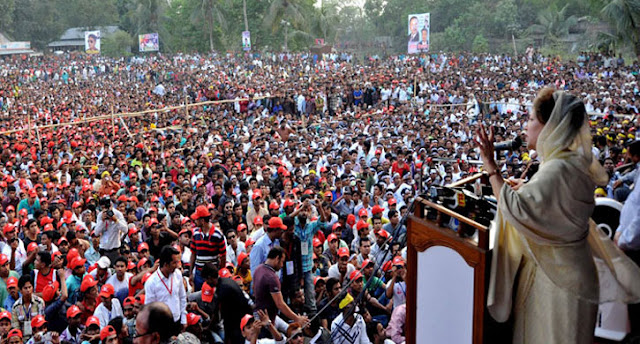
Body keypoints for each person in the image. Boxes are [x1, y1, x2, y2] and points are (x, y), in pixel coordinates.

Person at [478, 88, 640, 343]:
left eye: (531, 119)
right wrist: (525, 190)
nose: (526, 125)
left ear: (549, 126)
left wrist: (491, 167)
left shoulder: (557, 169)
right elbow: (546, 206)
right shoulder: (567, 163)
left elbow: (518, 210)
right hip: (568, 273)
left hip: (557, 283)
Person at [614, 140, 640, 334]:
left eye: (629, 154)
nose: (627, 157)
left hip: (634, 247)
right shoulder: (638, 170)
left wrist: (623, 240)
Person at [252, 246, 307, 325]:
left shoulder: (258, 269)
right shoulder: (272, 278)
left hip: (258, 313)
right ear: (277, 258)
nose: (282, 265)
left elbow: (254, 289)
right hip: (266, 319)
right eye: (282, 261)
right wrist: (297, 318)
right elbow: (280, 304)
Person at [144, 246, 187, 330]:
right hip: (161, 326)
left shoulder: (177, 274)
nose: (177, 266)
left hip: (177, 321)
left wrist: (183, 319)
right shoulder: (151, 282)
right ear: (166, 264)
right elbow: (149, 309)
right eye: (174, 263)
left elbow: (182, 297)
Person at [189, 205, 226, 291]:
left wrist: (220, 271)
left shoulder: (217, 234)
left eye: (196, 219)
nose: (195, 221)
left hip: (212, 276)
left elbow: (223, 255)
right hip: (199, 273)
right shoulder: (195, 233)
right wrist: (191, 273)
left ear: (202, 221)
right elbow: (193, 254)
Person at [11, 275, 46, 341]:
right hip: (22, 339)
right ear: (20, 290)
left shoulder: (39, 302)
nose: (28, 290)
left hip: (38, 337)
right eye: (25, 288)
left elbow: (42, 323)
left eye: (30, 287)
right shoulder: (16, 306)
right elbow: (16, 327)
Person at [95, 198, 128, 264]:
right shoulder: (100, 215)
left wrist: (116, 220)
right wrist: (102, 221)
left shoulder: (118, 214)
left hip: (114, 250)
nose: (105, 210)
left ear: (110, 206)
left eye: (106, 208)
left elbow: (125, 229)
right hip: (104, 250)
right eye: (102, 208)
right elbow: (96, 233)